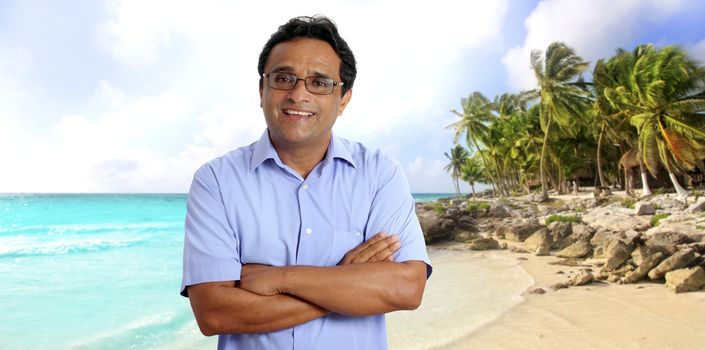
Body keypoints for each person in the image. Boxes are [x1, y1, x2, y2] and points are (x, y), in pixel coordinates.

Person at [180, 15, 432, 350]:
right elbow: (214, 314)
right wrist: (346, 282)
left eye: (320, 82)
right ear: (262, 90)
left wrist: (280, 279)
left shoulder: (380, 174)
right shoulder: (216, 181)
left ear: (343, 99)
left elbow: (406, 289)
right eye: (284, 78)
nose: (299, 94)